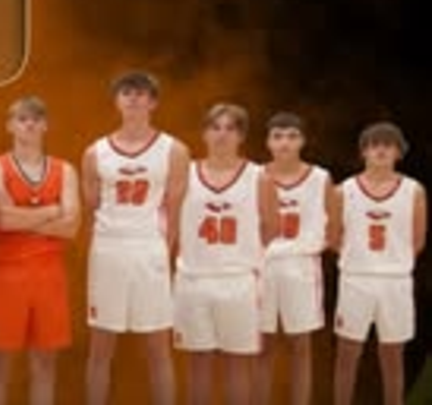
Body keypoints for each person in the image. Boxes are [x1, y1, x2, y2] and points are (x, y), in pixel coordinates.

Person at [84, 71, 187, 405]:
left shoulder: (174, 150)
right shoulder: (95, 152)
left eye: (141, 93)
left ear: (153, 102)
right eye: (126, 92)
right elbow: (91, 208)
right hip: (109, 248)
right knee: (100, 348)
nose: (133, 98)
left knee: (158, 348)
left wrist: (161, 251)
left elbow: (174, 212)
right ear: (116, 101)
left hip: (149, 249)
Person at [0, 96, 79, 405]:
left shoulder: (65, 170)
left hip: (49, 276)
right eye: (23, 118)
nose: (30, 124)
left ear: (45, 125)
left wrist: (25, 219)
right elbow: (3, 219)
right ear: (10, 125)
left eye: (36, 119)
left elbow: (71, 227)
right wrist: (52, 211)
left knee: (45, 365)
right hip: (8, 275)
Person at [172, 104, 270, 405]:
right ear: (204, 134)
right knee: (198, 364)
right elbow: (170, 225)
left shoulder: (259, 178)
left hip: (238, 281)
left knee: (236, 364)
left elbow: (273, 229)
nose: (222, 135)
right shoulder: (184, 174)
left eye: (230, 128)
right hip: (193, 280)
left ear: (241, 136)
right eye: (215, 127)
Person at [330, 122, 424, 405]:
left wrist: (391, 263)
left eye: (388, 144)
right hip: (356, 280)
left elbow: (417, 241)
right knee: (347, 353)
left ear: (399, 151)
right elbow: (333, 237)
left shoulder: (414, 190)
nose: (381, 150)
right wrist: (359, 260)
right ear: (363, 152)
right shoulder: (342, 191)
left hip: (395, 282)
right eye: (373, 144)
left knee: (393, 356)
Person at [253, 112, 330, 405]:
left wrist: (287, 249)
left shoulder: (320, 178)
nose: (284, 143)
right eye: (278, 136)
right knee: (263, 346)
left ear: (303, 141)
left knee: (301, 346)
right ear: (268, 142)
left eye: (291, 136)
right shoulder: (254, 177)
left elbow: (325, 231)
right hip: (263, 270)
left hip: (300, 269)